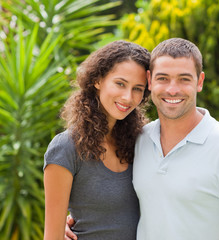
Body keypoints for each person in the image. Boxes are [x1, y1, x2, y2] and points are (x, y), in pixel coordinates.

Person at [66, 38, 219, 239]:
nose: (172, 89)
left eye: (184, 79)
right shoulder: (138, 140)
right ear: (149, 81)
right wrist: (78, 223)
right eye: (163, 78)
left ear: (200, 82)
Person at [43, 40, 150, 240]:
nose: (128, 97)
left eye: (138, 88)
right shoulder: (66, 148)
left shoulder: (142, 143)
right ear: (98, 80)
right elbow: (52, 237)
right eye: (120, 83)